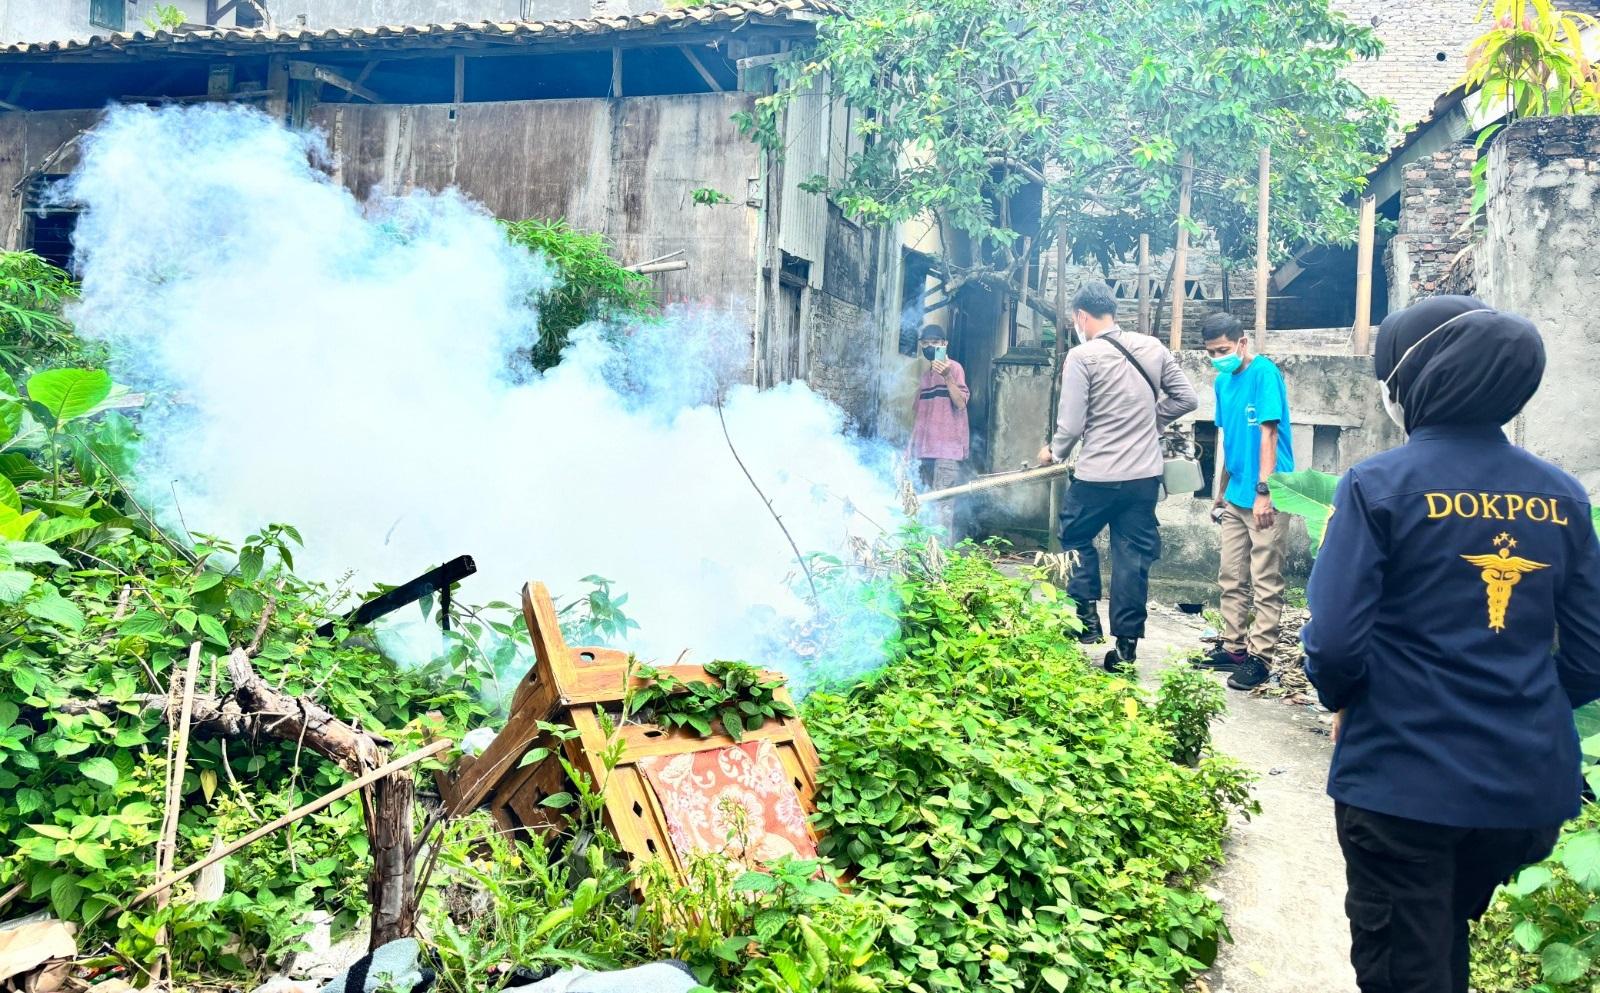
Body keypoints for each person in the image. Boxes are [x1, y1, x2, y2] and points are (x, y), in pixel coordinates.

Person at [1301, 296, 1600, 993]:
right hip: (1523, 793)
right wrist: (1519, 715)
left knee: (1408, 961)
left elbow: (1338, 644)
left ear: (1419, 382)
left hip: (1404, 782)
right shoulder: (1561, 496)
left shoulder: (1378, 486)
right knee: (1437, 943)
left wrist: (1343, 698)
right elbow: (1590, 658)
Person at [1037, 281, 1197, 672]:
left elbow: (1072, 423)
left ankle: (1085, 618)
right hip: (1144, 478)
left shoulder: (1082, 356)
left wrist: (1052, 452)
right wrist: (1149, 420)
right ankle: (1125, 651)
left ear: (1081, 316)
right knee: (1132, 558)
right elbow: (1187, 399)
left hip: (1097, 476)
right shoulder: (1153, 348)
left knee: (1074, 536)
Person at [1194, 313, 1295, 691]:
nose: (1218, 357)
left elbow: (1268, 433)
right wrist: (1220, 491)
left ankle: (1260, 658)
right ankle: (1234, 648)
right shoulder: (1223, 381)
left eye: (1223, 349)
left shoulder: (1264, 374)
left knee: (1265, 578)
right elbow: (1229, 440)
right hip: (1235, 495)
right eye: (1211, 352)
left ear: (1242, 343)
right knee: (1230, 575)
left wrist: (1264, 492)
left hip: (1268, 494)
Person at [909, 324, 970, 539]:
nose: (929, 347)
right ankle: (927, 553)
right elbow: (919, 418)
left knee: (942, 507)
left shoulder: (955, 368)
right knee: (925, 504)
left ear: (944, 344)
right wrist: (909, 450)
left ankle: (942, 558)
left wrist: (947, 377)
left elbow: (961, 403)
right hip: (925, 452)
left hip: (947, 451)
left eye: (934, 343)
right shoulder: (925, 377)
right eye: (925, 343)